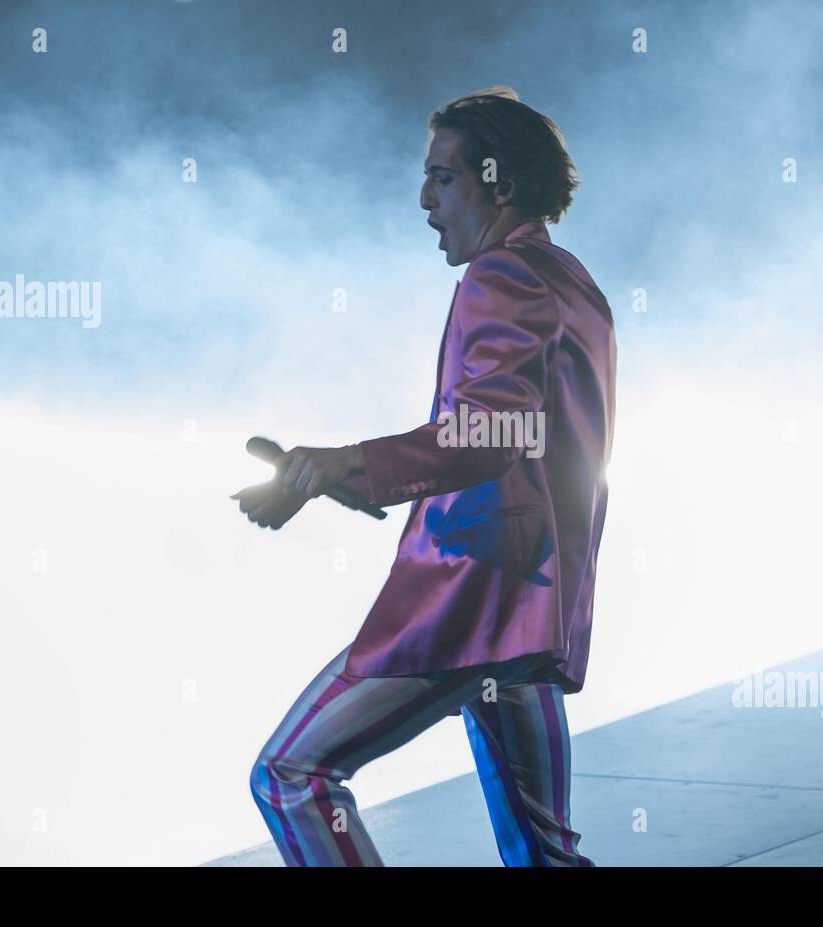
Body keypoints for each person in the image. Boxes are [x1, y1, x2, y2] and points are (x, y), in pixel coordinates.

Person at [234, 85, 616, 866]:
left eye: (442, 177)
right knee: (547, 856)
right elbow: (530, 442)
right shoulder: (570, 280)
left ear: (498, 183)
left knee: (290, 773)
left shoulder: (500, 279)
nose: (424, 198)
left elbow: (491, 434)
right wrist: (340, 481)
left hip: (469, 604)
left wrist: (345, 461)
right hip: (533, 608)